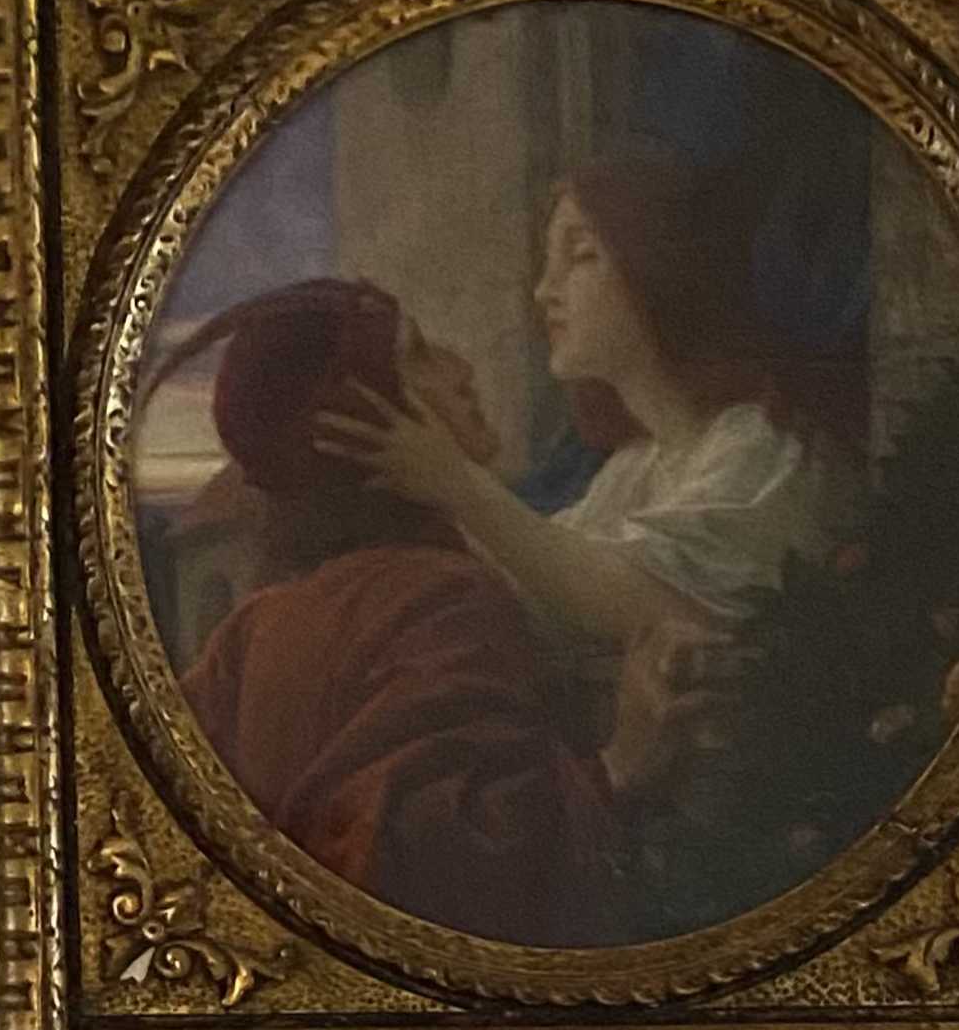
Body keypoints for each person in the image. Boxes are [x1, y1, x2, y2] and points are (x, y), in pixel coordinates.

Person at [306, 151, 853, 777]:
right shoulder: (636, 469)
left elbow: (630, 602)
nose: (545, 291)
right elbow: (535, 585)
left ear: (661, 273)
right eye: (547, 262)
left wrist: (457, 484)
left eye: (582, 256)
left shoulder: (762, 451)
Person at [148, 276, 620, 946]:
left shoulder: (253, 627)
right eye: (421, 356)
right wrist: (624, 766)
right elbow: (452, 864)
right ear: (365, 417)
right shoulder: (443, 601)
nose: (460, 370)